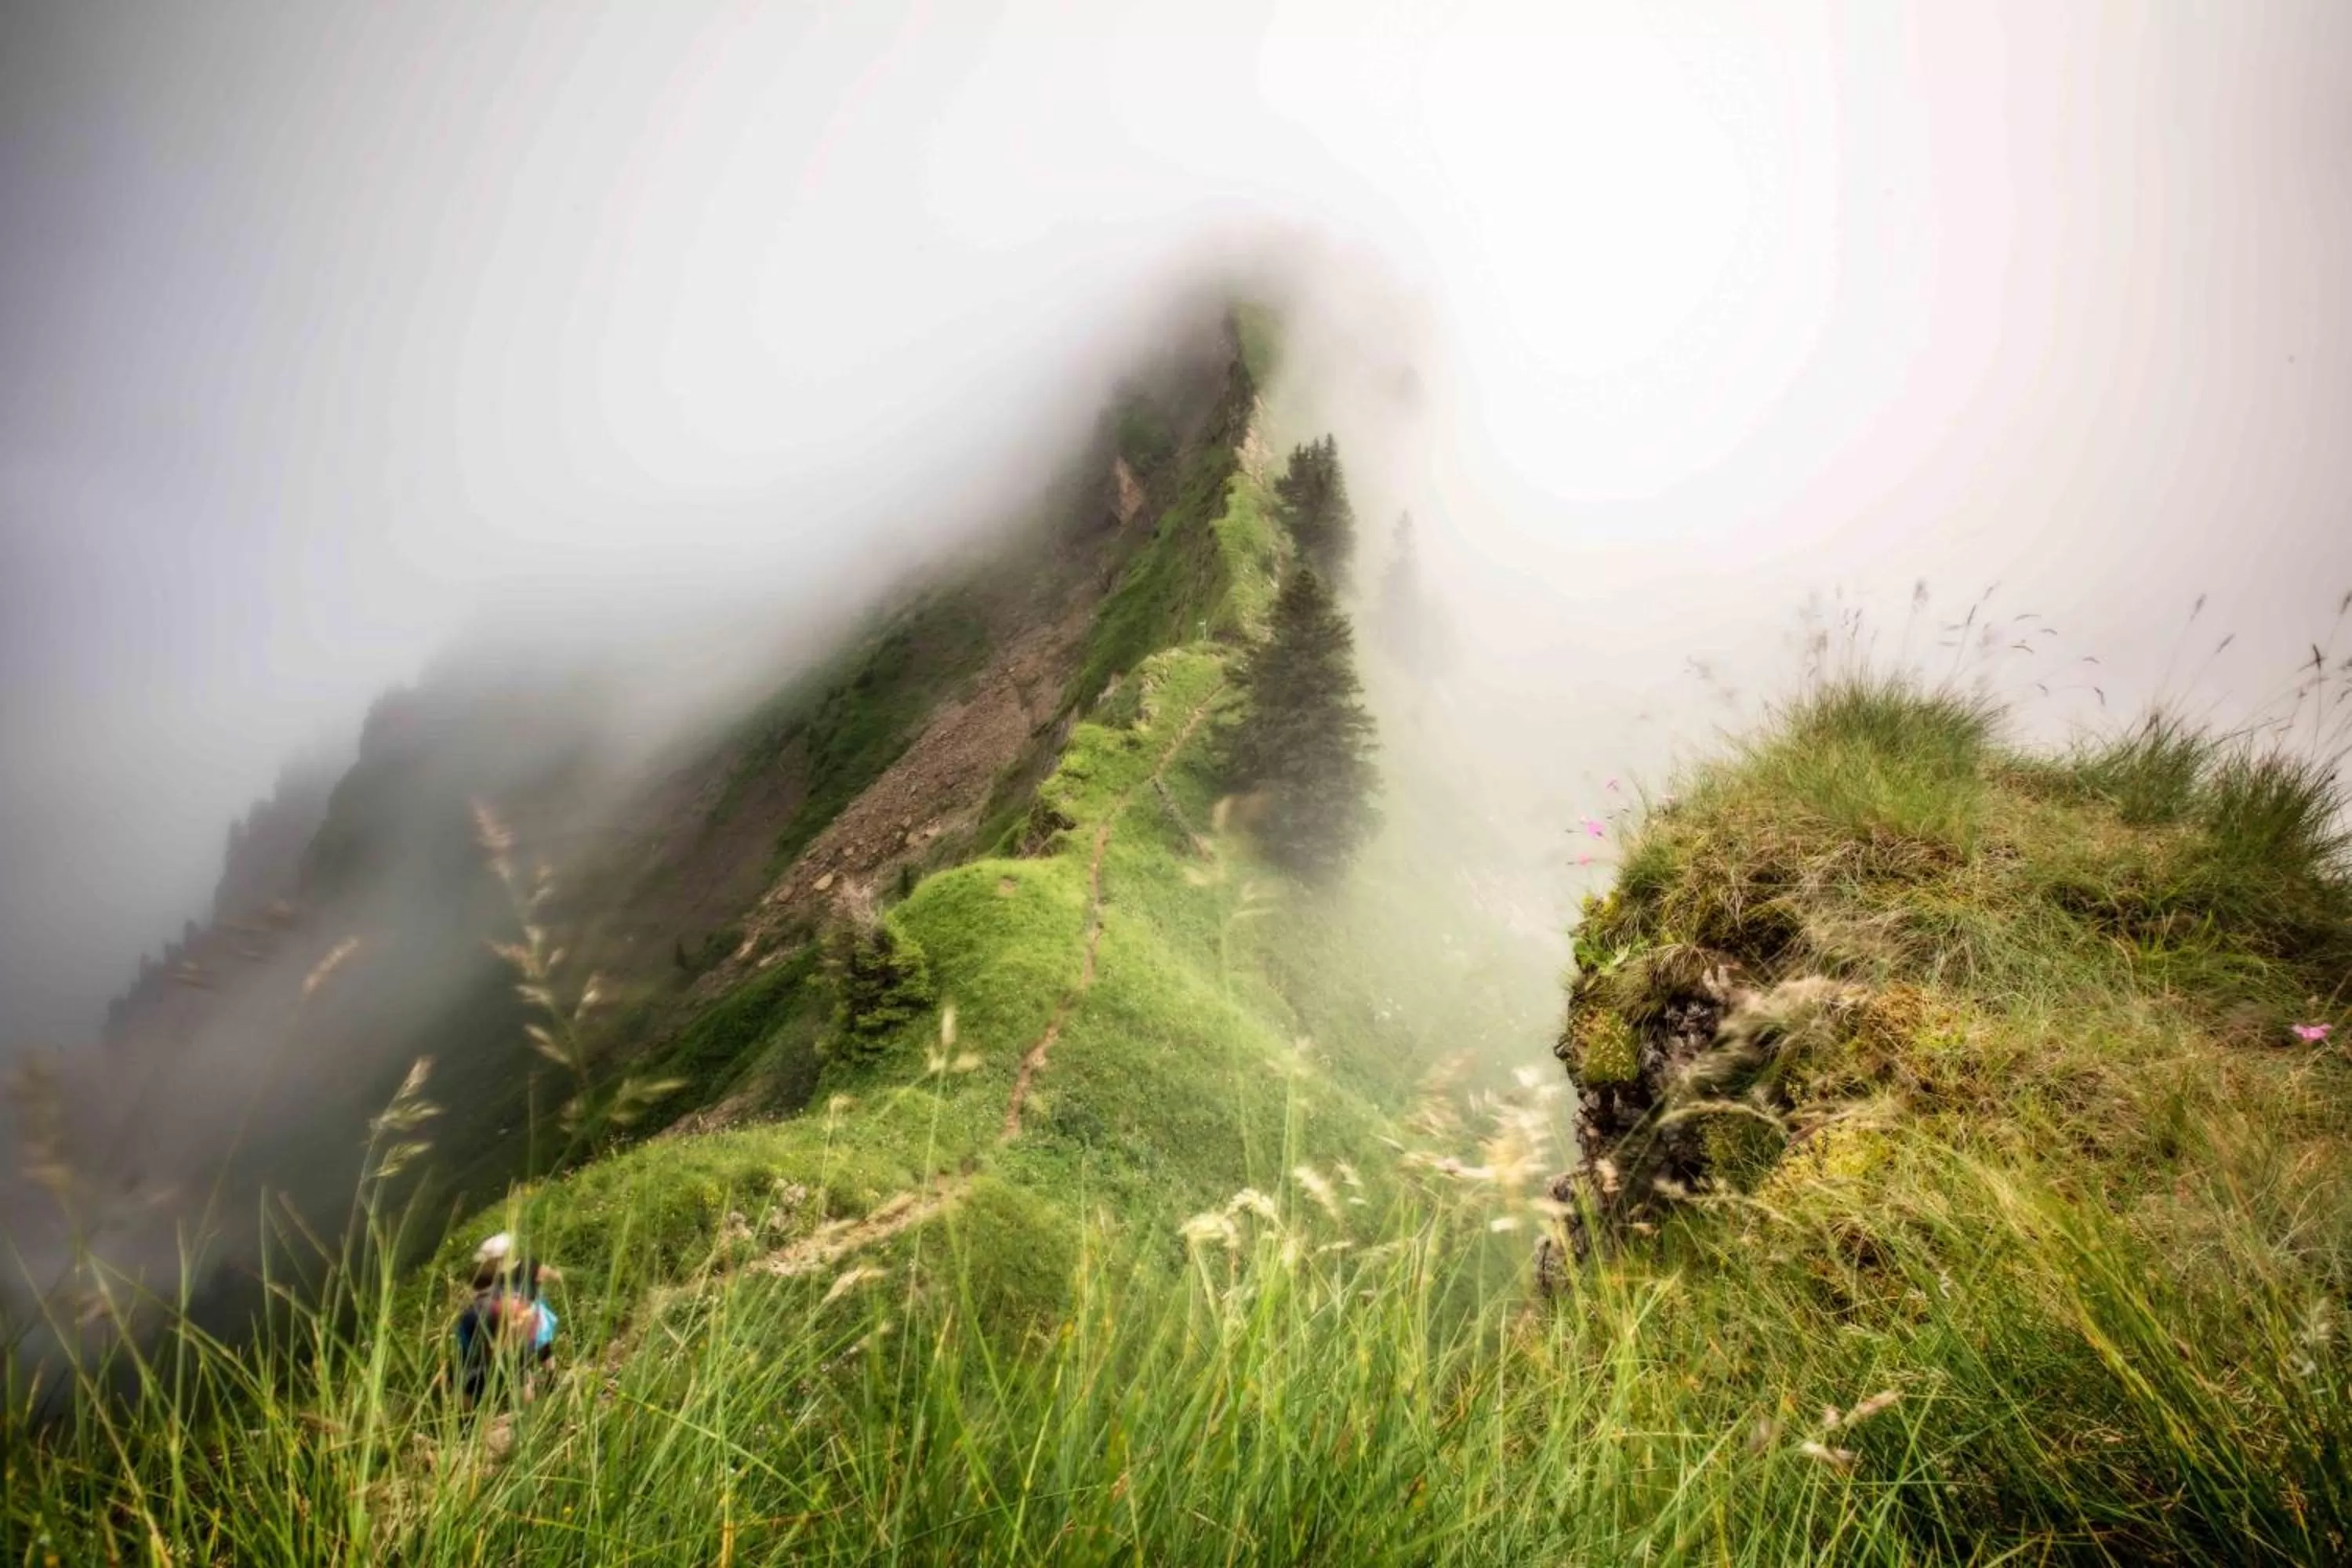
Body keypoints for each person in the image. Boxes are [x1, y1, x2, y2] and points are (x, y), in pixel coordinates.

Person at [453, 1231, 562, 1406]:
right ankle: (550, 1379)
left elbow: (476, 1306)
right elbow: (545, 1272)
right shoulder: (527, 1265)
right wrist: (556, 1276)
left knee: (481, 1372)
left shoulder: (488, 1284)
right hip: (531, 1318)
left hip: (506, 1326)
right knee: (540, 1350)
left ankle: (467, 1417)